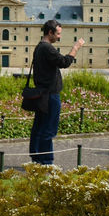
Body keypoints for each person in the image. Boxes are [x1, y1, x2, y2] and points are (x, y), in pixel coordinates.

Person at [29, 19, 84, 165]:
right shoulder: (47, 48)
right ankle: (46, 162)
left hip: (42, 94)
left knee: (39, 127)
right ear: (50, 32)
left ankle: (36, 157)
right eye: (58, 34)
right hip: (50, 95)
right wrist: (76, 48)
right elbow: (64, 62)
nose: (59, 37)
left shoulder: (39, 47)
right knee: (48, 129)